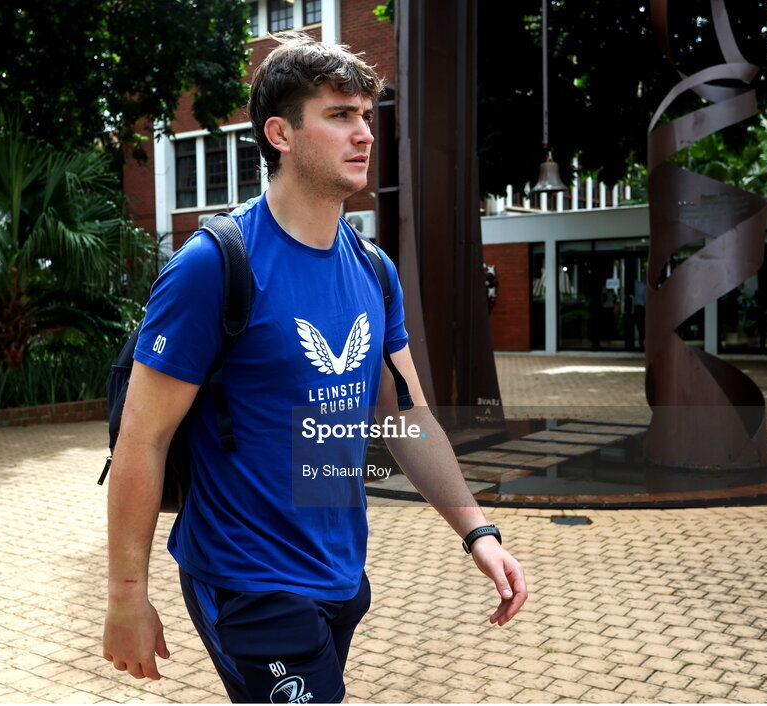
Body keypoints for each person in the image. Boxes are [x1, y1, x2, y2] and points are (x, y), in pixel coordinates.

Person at [103, 33, 528, 703]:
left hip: (340, 578)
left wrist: (477, 531)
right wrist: (126, 594)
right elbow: (143, 436)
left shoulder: (374, 270)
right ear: (281, 134)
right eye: (339, 115)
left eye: (366, 115)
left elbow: (407, 418)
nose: (364, 134)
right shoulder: (214, 264)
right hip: (247, 580)